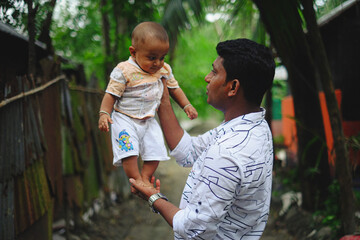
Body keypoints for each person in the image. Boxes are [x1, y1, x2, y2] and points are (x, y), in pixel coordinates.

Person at [130, 38, 275, 239]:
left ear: (232, 87)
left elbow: (192, 228)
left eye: (214, 72)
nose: (208, 78)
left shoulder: (227, 153)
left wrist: (153, 197)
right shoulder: (254, 127)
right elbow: (188, 151)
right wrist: (163, 96)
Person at [98, 22, 198, 188]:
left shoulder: (164, 70)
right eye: (152, 58)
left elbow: (175, 89)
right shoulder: (124, 70)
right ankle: (136, 180)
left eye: (162, 57)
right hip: (125, 119)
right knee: (129, 152)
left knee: (156, 151)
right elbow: (111, 94)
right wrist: (104, 113)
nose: (158, 63)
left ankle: (145, 177)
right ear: (133, 52)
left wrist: (186, 105)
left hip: (148, 120)